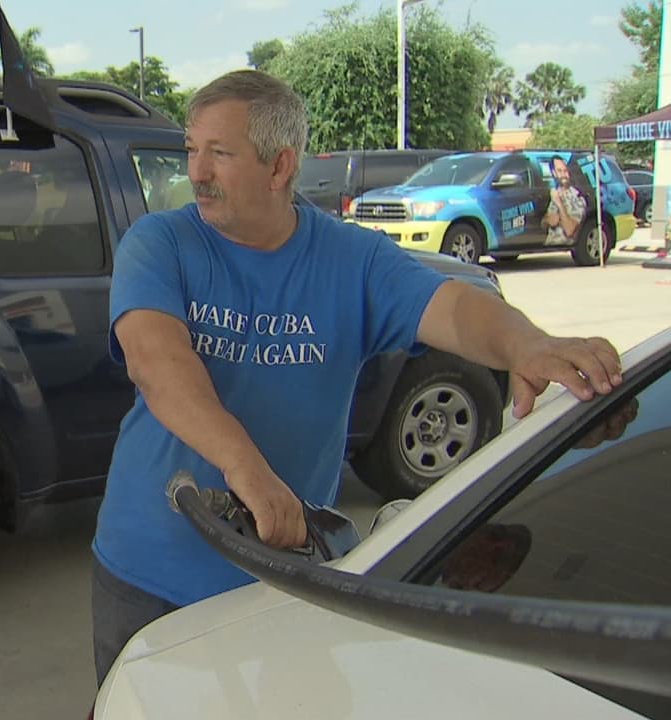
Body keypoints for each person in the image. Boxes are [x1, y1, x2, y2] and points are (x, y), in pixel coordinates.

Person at [90, 70, 623, 686]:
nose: (197, 172)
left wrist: (527, 343)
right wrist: (248, 471)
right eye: (192, 150)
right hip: (147, 576)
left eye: (219, 153)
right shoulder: (161, 242)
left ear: (279, 165)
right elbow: (156, 363)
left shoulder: (351, 259)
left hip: (285, 581)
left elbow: (451, 305)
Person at [544, 155, 586, 246]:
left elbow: (570, 230)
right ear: (554, 173)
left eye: (565, 171)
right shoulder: (554, 193)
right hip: (548, 246)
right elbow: (544, 223)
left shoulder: (577, 197)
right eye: (559, 171)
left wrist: (559, 203)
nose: (564, 174)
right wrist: (547, 220)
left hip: (562, 247)